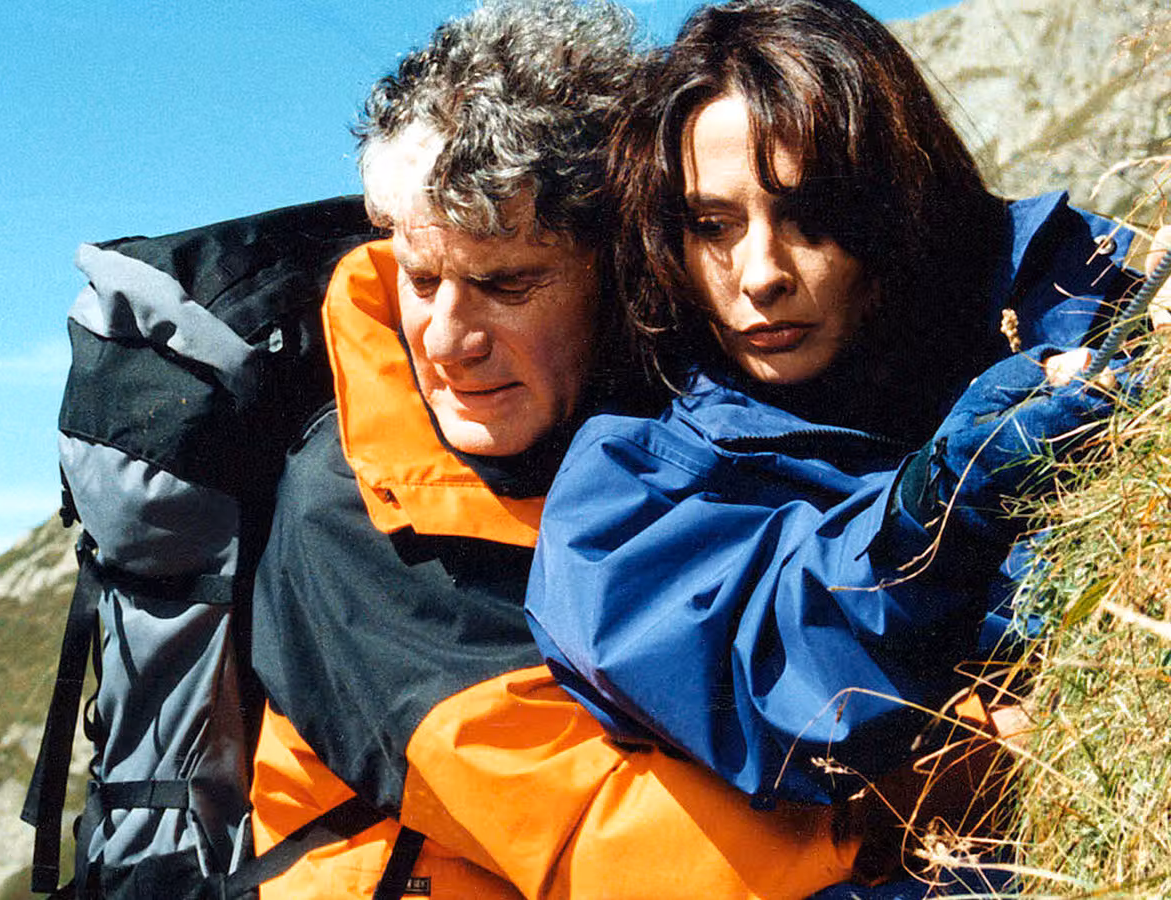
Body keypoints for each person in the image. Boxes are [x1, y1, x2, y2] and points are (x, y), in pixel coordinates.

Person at [246, 1, 888, 896]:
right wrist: (946, 782)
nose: (447, 339)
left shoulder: (678, 402)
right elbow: (601, 840)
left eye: (507, 283)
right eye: (421, 279)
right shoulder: (347, 509)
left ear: (620, 265)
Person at [522, 0, 1145, 858]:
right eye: (713, 226)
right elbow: (789, 686)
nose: (762, 274)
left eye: (809, 215)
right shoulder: (624, 493)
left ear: (896, 204)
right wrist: (940, 505)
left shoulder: (1069, 294)